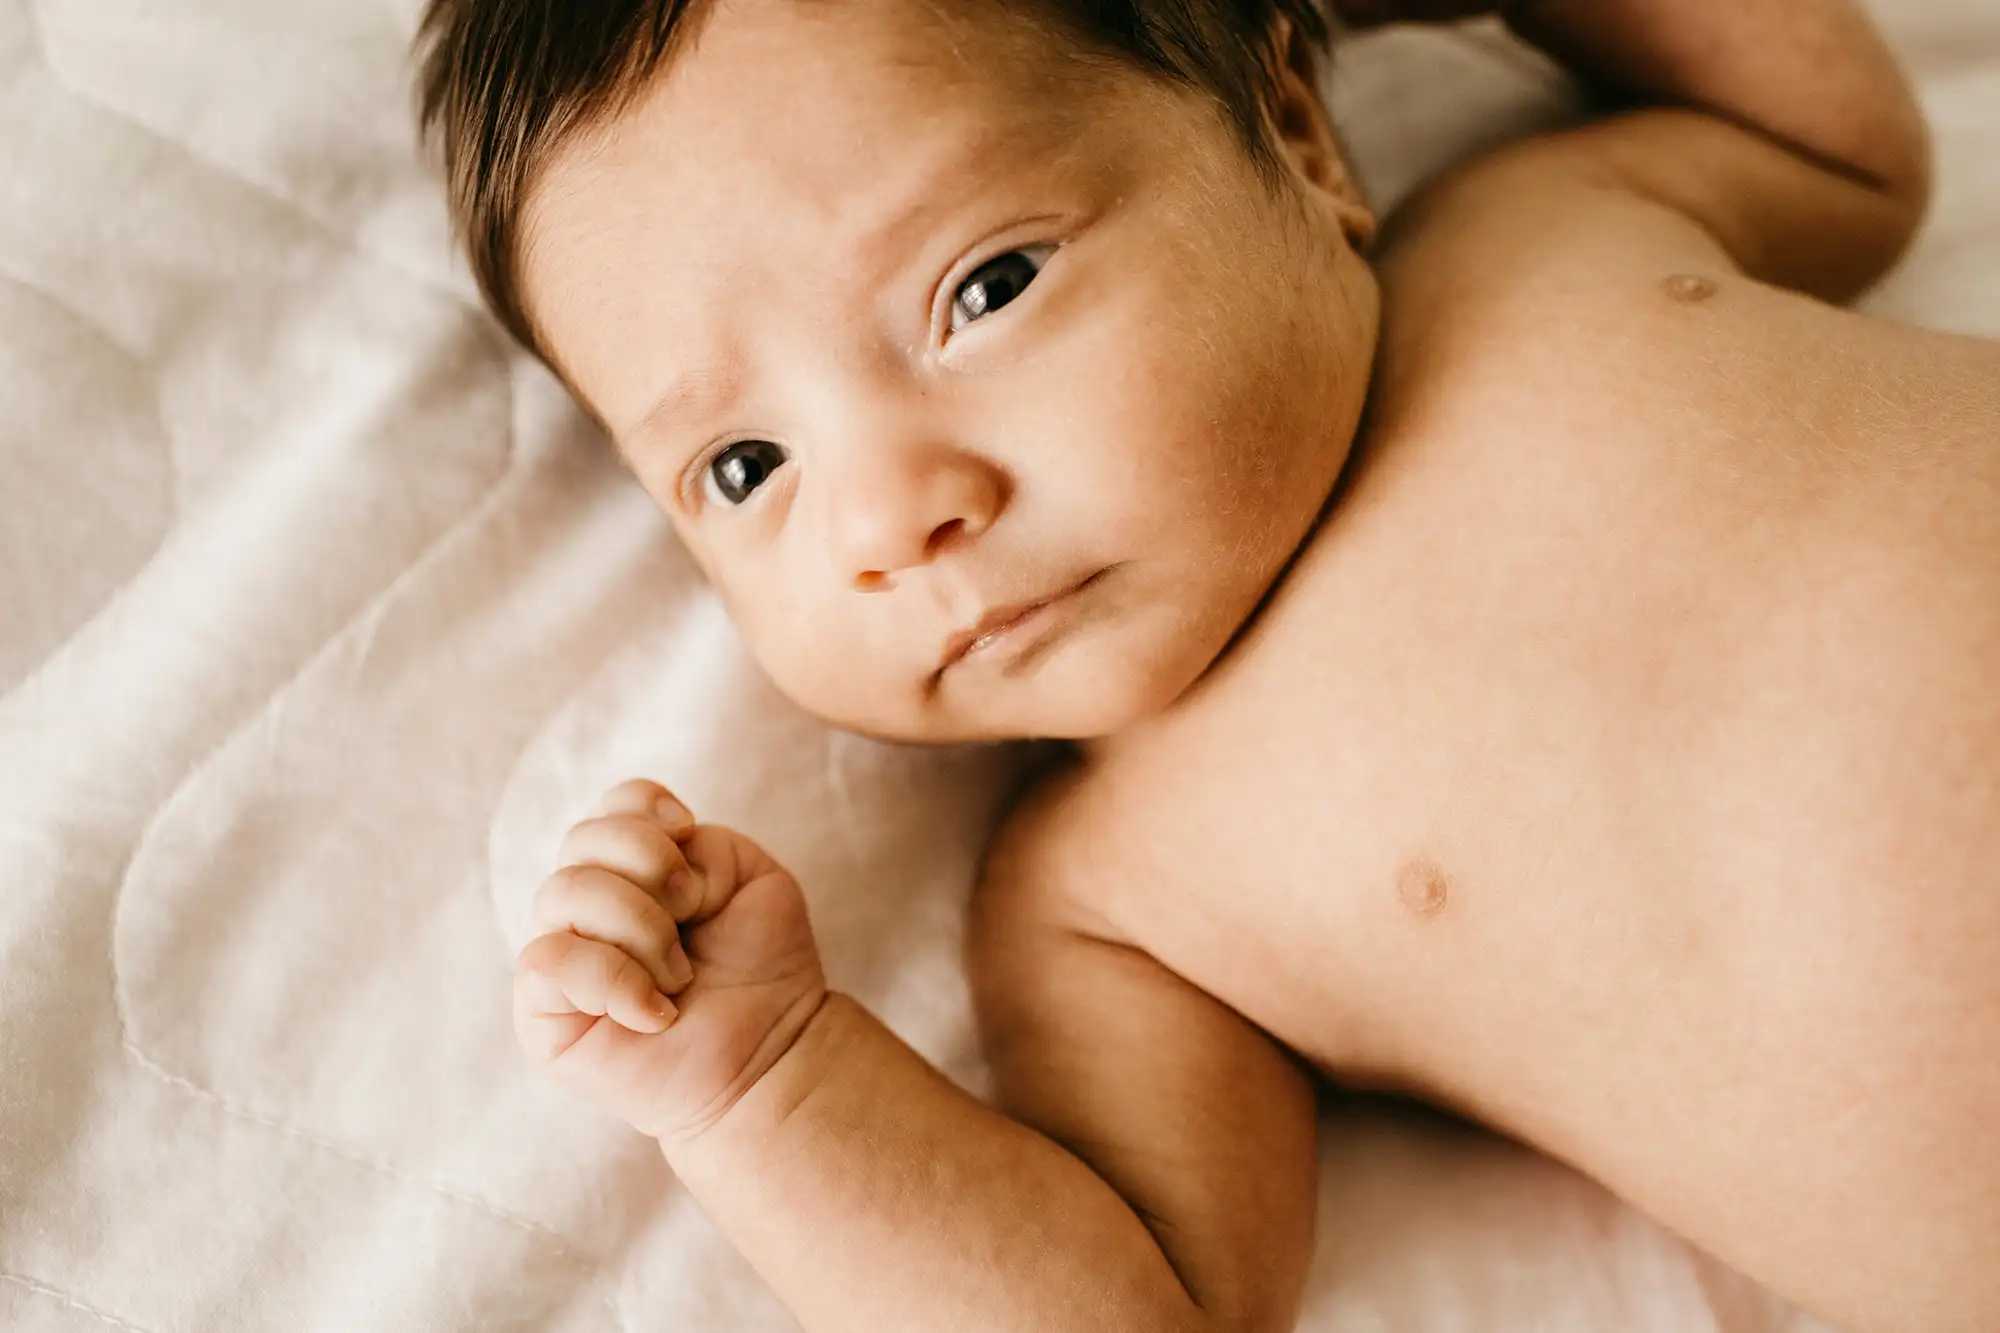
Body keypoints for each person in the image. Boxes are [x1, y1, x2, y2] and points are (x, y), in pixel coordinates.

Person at [416, 2, 2000, 1329]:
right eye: (748, 466)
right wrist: (762, 1089)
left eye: (985, 289)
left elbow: (1839, 142)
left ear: (1301, 142)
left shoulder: (1536, 223)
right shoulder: (1113, 900)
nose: (893, 517)